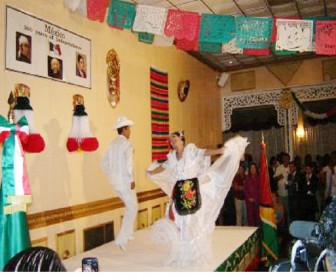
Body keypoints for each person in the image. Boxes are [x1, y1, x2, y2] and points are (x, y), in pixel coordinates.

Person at [147, 132, 249, 267]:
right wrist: (151, 173)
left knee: (189, 222)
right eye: (171, 140)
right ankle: (180, 254)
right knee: (179, 222)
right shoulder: (171, 157)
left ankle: (191, 255)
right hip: (178, 192)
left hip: (190, 190)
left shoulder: (191, 151)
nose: (172, 141)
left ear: (182, 140)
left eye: (175, 138)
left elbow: (205, 153)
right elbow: (163, 166)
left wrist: (219, 150)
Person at [100, 116, 138, 251]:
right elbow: (129, 164)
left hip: (115, 181)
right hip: (125, 180)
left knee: (131, 205)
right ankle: (122, 238)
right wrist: (131, 179)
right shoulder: (126, 144)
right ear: (125, 129)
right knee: (132, 207)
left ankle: (128, 234)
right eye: (129, 129)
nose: (130, 132)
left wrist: (111, 174)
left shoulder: (112, 144)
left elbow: (103, 163)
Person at [244, 162, 260, 227]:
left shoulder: (259, 178)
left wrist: (255, 198)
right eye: (251, 168)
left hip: (257, 201)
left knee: (258, 218)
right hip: (249, 202)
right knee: (250, 219)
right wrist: (249, 198)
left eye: (254, 168)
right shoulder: (247, 179)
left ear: (256, 169)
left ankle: (258, 234)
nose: (252, 169)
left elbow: (260, 190)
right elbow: (245, 190)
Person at [232, 162, 247, 226]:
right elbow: (236, 187)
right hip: (238, 198)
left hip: (245, 198)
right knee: (239, 215)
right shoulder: (236, 177)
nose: (240, 170)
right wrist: (245, 187)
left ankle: (246, 229)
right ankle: (238, 229)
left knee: (246, 215)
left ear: (244, 169)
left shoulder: (246, 177)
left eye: (242, 169)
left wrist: (243, 187)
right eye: (239, 169)